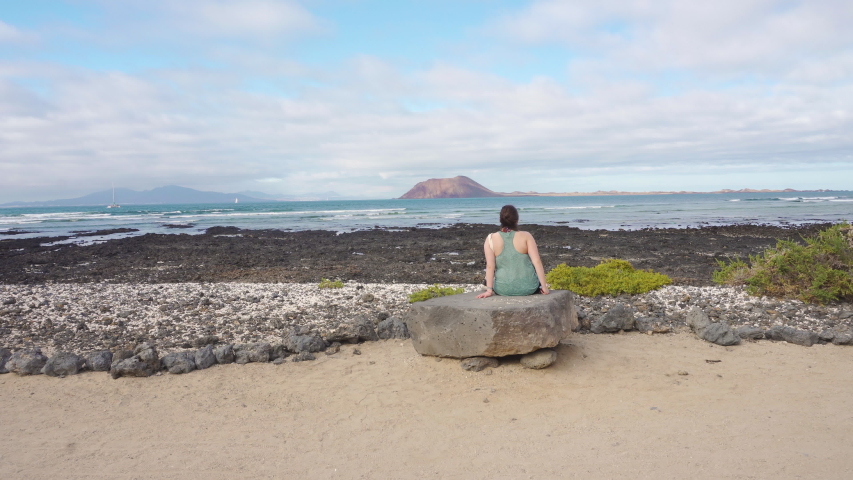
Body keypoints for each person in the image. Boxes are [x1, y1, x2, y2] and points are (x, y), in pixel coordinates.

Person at [476, 205, 550, 298]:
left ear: (500, 220)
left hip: (503, 289)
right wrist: (544, 286)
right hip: (529, 287)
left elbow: (490, 266)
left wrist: (489, 290)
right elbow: (537, 261)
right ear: (517, 220)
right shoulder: (526, 236)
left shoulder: (491, 238)